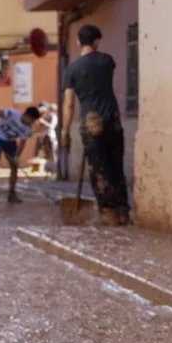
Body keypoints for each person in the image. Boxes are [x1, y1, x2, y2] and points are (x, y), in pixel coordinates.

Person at [61, 24, 129, 225]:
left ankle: (108, 213)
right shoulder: (107, 61)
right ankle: (123, 210)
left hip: (90, 122)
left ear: (78, 42)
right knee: (116, 165)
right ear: (97, 40)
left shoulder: (72, 69)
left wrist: (65, 131)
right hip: (113, 119)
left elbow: (69, 103)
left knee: (98, 168)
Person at [0, 106, 41, 204]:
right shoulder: (11, 113)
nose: (32, 122)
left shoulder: (28, 129)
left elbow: (22, 143)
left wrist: (16, 156)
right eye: (31, 120)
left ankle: (12, 193)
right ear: (26, 115)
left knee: (14, 166)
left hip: (10, 142)